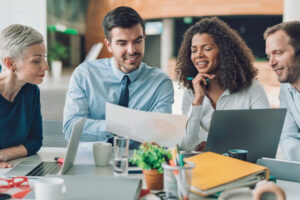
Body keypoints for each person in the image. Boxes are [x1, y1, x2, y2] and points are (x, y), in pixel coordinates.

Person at [63, 6, 174, 149]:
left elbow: (160, 135)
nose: (132, 50)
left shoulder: (160, 83)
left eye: (137, 41)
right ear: (109, 45)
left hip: (140, 163)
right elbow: (71, 128)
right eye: (122, 43)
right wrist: (124, 124)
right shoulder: (85, 75)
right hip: (95, 160)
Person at [176, 17, 270, 151]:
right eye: (194, 50)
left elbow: (266, 137)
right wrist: (198, 101)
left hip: (242, 166)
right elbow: (186, 145)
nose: (199, 55)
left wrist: (219, 147)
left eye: (207, 48)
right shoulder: (191, 93)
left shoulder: (252, 88)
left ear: (224, 52)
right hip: (204, 166)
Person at [0, 24, 48, 168]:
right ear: (10, 63)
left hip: (12, 168)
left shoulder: (31, 91)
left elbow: (35, 141)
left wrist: (4, 154)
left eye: (44, 58)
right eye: (36, 61)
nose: (45, 66)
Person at [264, 21, 300, 161]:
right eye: (269, 56)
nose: (271, 62)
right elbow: (287, 135)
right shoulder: (286, 88)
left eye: (278, 53)